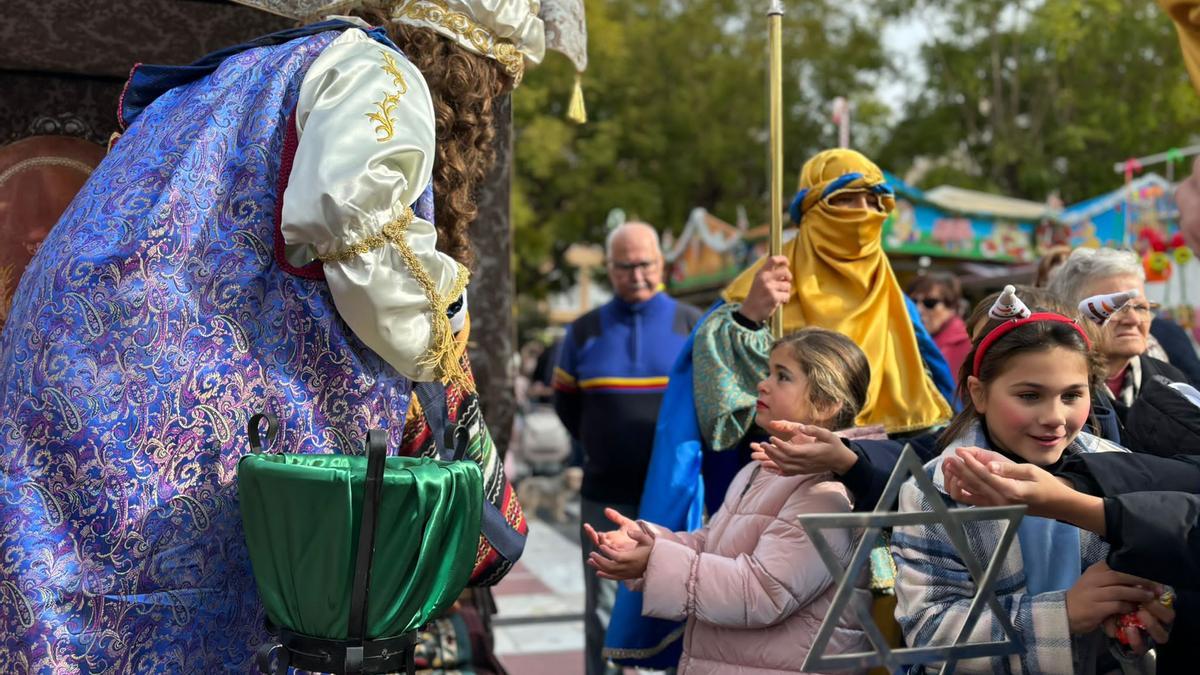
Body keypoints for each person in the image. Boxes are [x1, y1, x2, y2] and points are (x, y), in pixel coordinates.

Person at [0, 2, 539, 670]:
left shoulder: (257, 66)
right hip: (166, 423)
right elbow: (358, 233)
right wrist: (446, 326)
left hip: (84, 389)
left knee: (82, 618)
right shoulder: (376, 73)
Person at [605, 148, 954, 668]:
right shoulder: (766, 281)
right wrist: (750, 316)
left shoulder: (896, 300)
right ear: (811, 208)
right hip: (771, 478)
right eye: (844, 200)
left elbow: (938, 406)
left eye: (873, 200)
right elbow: (711, 403)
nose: (861, 212)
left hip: (876, 498)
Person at [892, 286, 1159, 673]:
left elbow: (1152, 592)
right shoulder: (932, 492)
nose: (1054, 416)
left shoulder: (1120, 469)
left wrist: (1136, 622)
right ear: (979, 394)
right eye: (1030, 396)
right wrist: (1063, 614)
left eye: (1071, 396)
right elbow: (931, 635)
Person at [586, 328, 871, 674]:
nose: (763, 384)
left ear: (825, 405)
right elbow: (713, 545)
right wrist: (649, 541)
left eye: (782, 377)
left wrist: (654, 561)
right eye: (768, 371)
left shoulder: (827, 488)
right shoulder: (763, 467)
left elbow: (763, 592)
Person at [554, 220, 701, 675]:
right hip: (606, 493)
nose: (636, 274)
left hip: (675, 500)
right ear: (609, 269)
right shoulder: (583, 332)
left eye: (645, 264)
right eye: (624, 266)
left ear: (662, 264)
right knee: (603, 607)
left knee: (683, 600)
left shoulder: (692, 325)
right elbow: (567, 407)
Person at [908, 272, 972, 382]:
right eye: (913, 302)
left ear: (951, 307)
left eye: (929, 303)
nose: (918, 310)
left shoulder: (967, 343)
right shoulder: (911, 338)